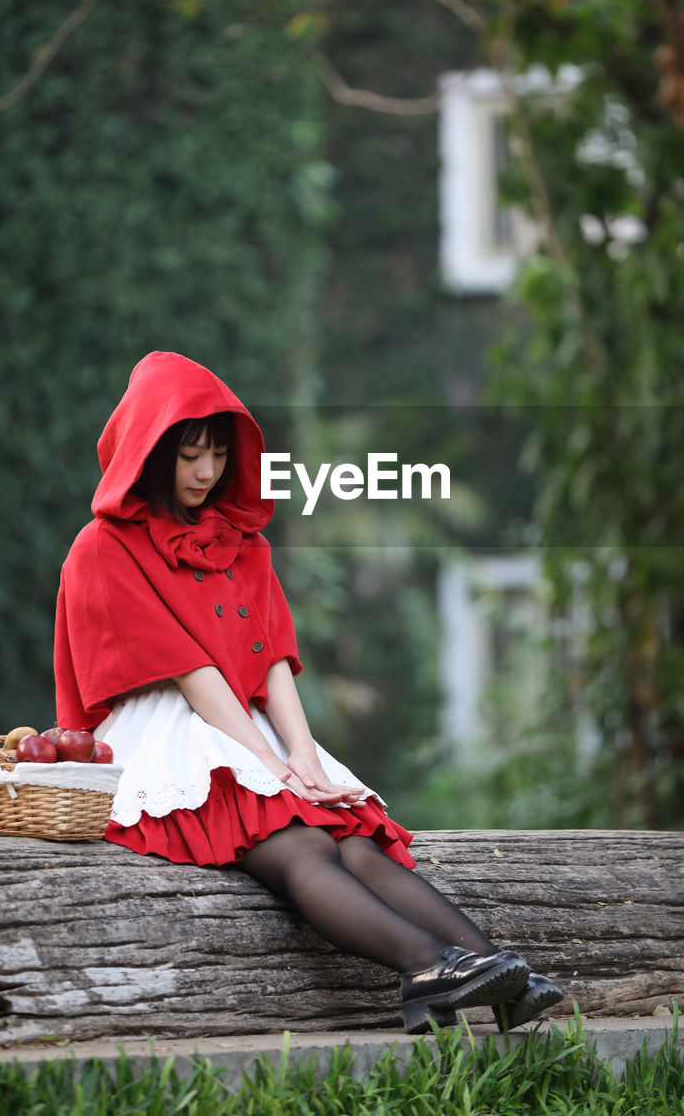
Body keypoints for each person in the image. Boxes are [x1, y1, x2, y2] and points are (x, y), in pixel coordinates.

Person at [54, 351, 563, 1033]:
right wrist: (270, 768)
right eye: (189, 457)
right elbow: (189, 672)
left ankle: (497, 969)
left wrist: (304, 756)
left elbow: (269, 660)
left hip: (246, 724)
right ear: (149, 453)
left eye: (217, 454)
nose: (207, 473)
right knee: (300, 847)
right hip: (170, 734)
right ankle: (423, 966)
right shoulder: (104, 546)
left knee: (354, 845)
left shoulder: (244, 544)